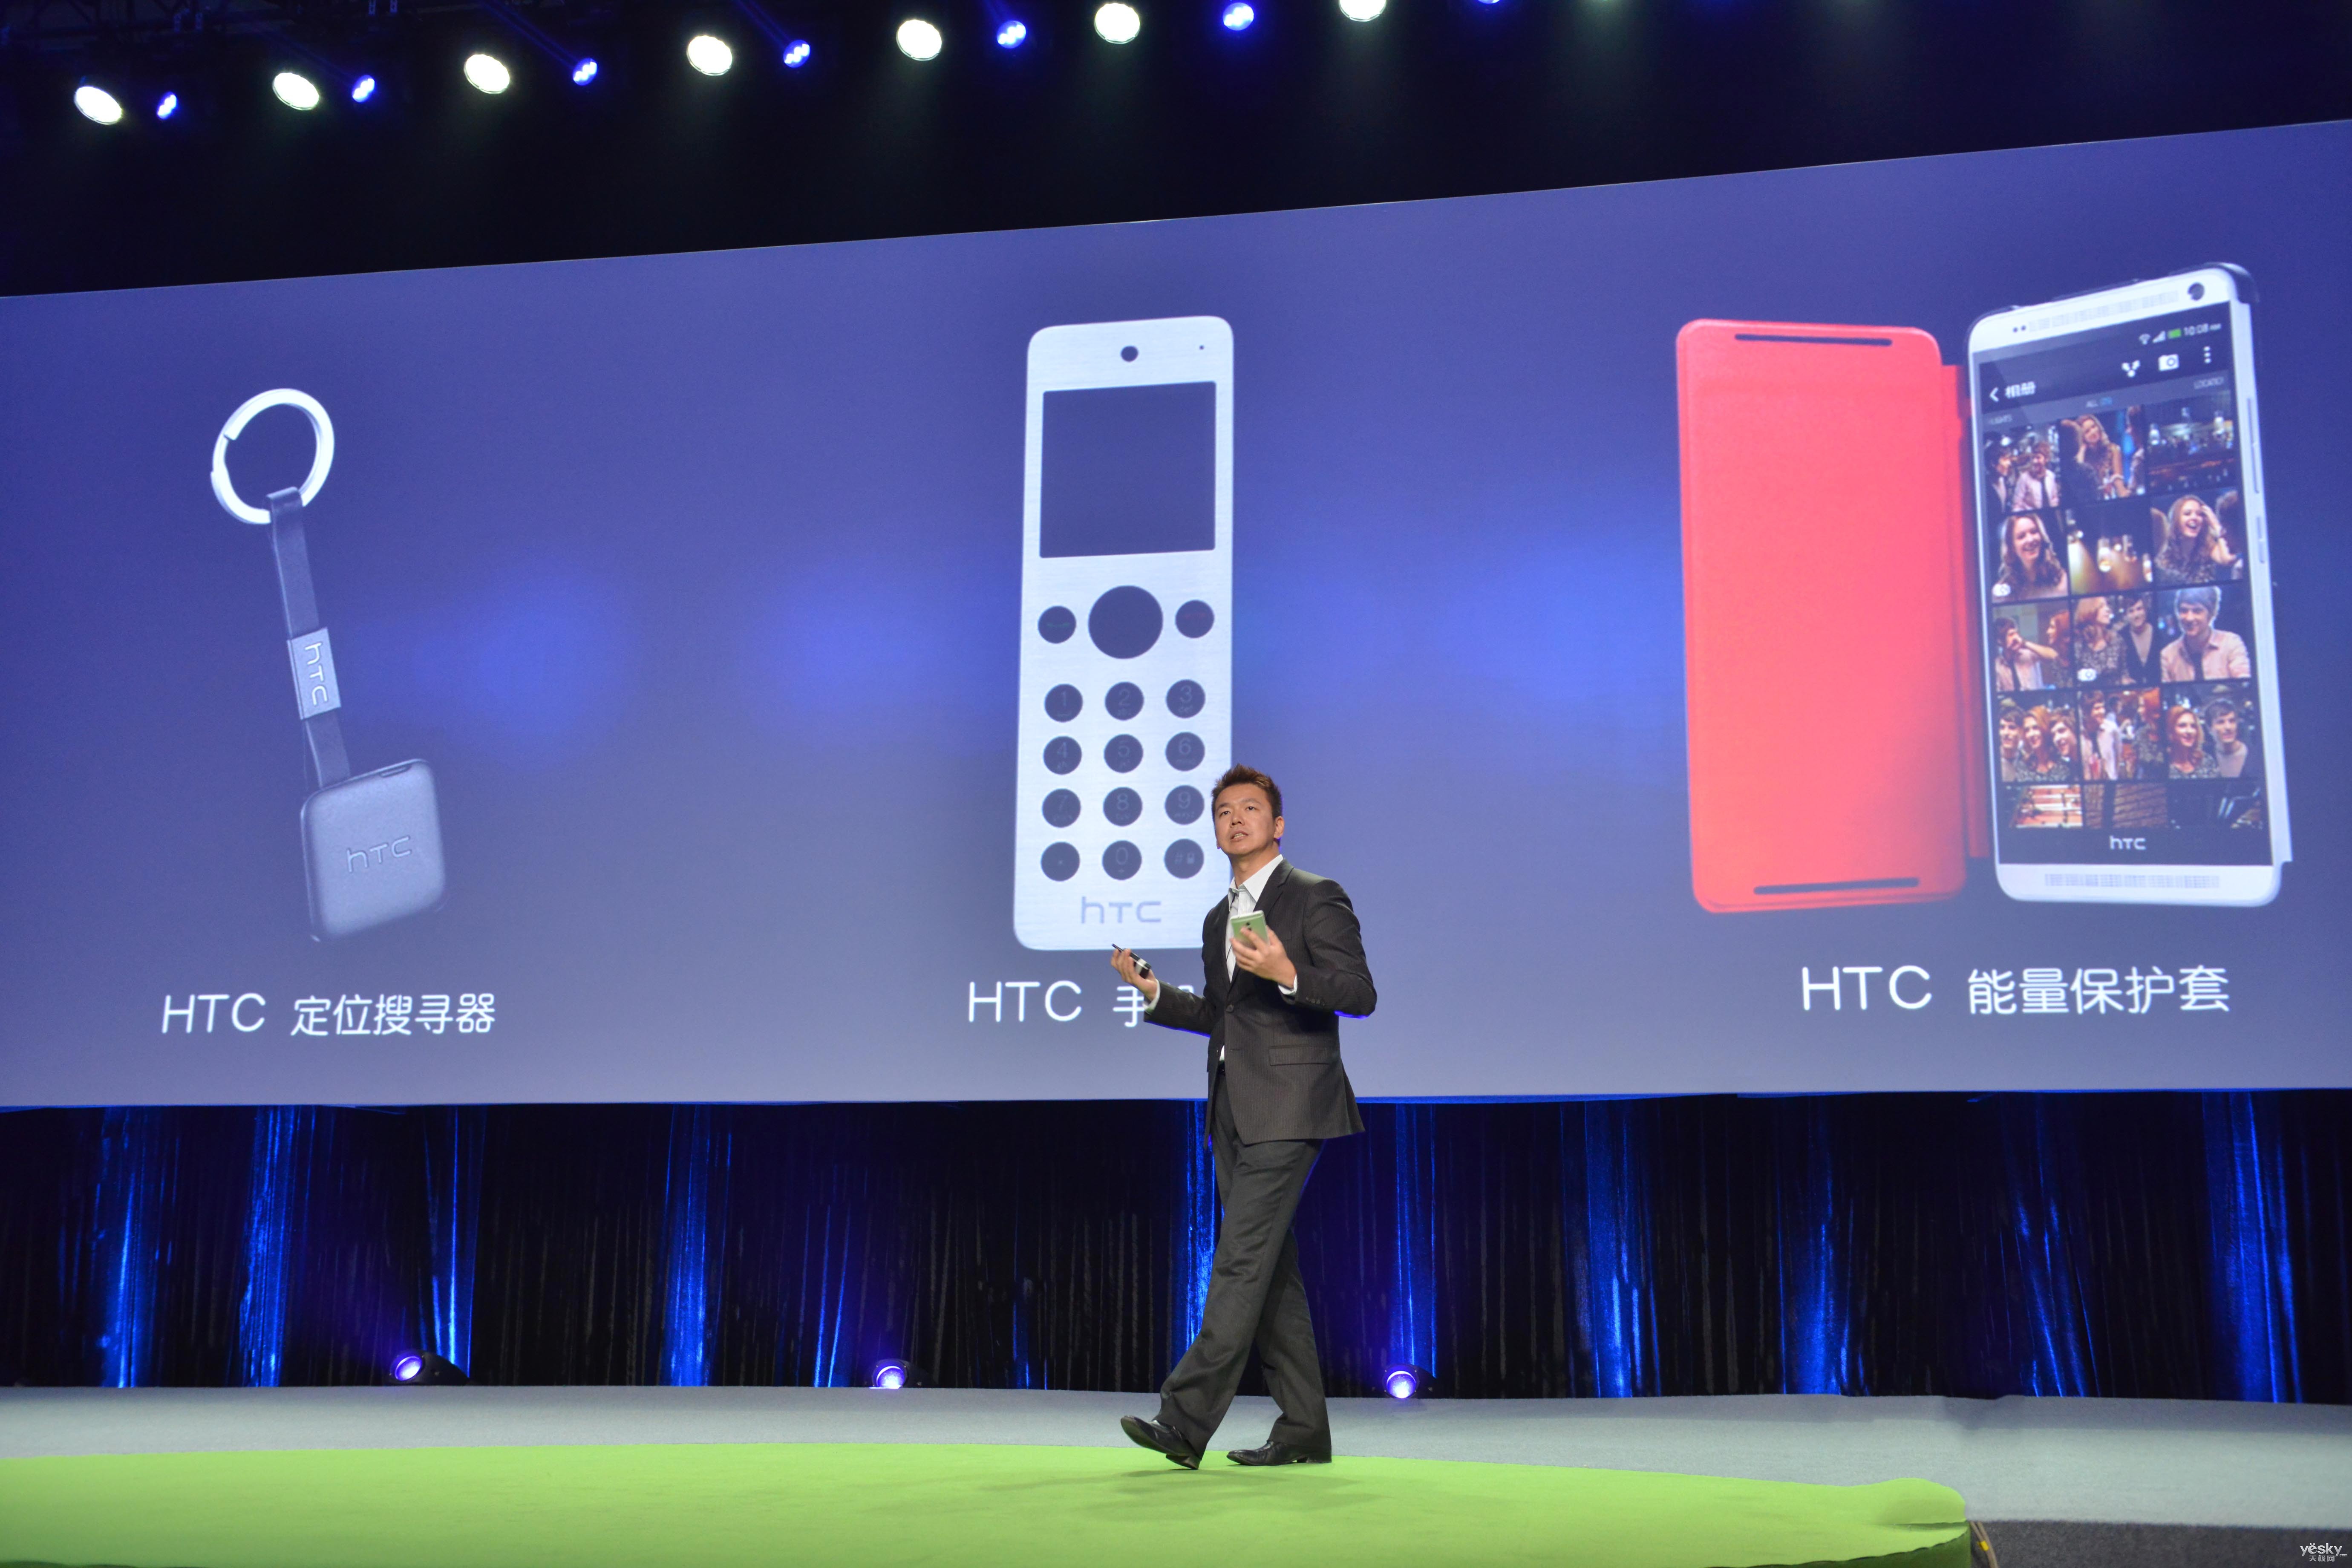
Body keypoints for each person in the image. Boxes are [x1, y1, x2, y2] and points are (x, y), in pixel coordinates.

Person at [1110, 765, 1375, 1470]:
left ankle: (1184, 1420)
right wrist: (1154, 992)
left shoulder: (1315, 896)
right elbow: (1221, 1017)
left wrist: (1289, 971)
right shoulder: (1216, 918)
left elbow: (1359, 993)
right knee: (1269, 1273)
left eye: (1250, 808)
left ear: (1276, 825)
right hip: (1231, 1108)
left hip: (1292, 1104)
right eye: (1224, 811)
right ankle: (1304, 1429)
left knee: (1238, 1263)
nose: (1235, 819)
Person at [2159, 586, 2251, 682]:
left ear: (2211, 614)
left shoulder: (2231, 643)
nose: (2189, 618)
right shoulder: (2167, 655)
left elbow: (2244, 681)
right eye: (2184, 611)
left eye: (2197, 611)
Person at [2154, 493, 2242, 584]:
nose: (2194, 518)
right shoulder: (2164, 547)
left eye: (2200, 514)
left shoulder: (2208, 546)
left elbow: (2228, 559)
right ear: (2176, 520)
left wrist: (2216, 525)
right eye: (2187, 514)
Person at [1994, 511, 2067, 601]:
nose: (2030, 540)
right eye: (2021, 537)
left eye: (2034, 532)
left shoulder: (2063, 581)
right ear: (2012, 547)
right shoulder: (2001, 592)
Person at [1991, 616, 2060, 692]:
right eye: (2011, 635)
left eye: (2016, 633)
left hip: (2037, 700)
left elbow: (2054, 657)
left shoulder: (2029, 654)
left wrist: (2025, 643)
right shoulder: (1997, 666)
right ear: (2000, 641)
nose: (2016, 637)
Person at [2072, 596, 2121, 685]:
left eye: (2107, 606)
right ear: (2090, 610)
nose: (2108, 610)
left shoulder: (2116, 640)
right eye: (2102, 606)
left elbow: (2124, 674)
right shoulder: (2078, 643)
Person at [2167, 703, 2220, 778]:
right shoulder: (2164, 766)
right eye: (2182, 726)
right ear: (2171, 730)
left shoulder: (2206, 760)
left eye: (2193, 726)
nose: (2190, 731)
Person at [2116, 593, 2161, 685]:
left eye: (2139, 609)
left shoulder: (2158, 633)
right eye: (2131, 611)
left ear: (2146, 610)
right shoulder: (2121, 637)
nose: (2136, 615)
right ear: (2126, 615)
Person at [2207, 696, 2254, 780]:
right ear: (2210, 729)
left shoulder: (2256, 755)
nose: (2228, 727)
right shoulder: (2205, 758)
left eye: (2232, 721)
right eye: (2221, 722)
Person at [2007, 446, 2059, 513]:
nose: (2035, 461)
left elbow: (2054, 499)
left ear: (2046, 459)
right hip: (2031, 517)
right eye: (2033, 458)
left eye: (2038, 458)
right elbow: (2017, 506)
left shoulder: (2051, 476)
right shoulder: (2024, 478)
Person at [1996, 702, 2025, 783]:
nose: (2006, 733)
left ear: (2022, 732)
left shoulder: (2027, 761)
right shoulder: (1992, 759)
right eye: (2002, 728)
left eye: (2012, 728)